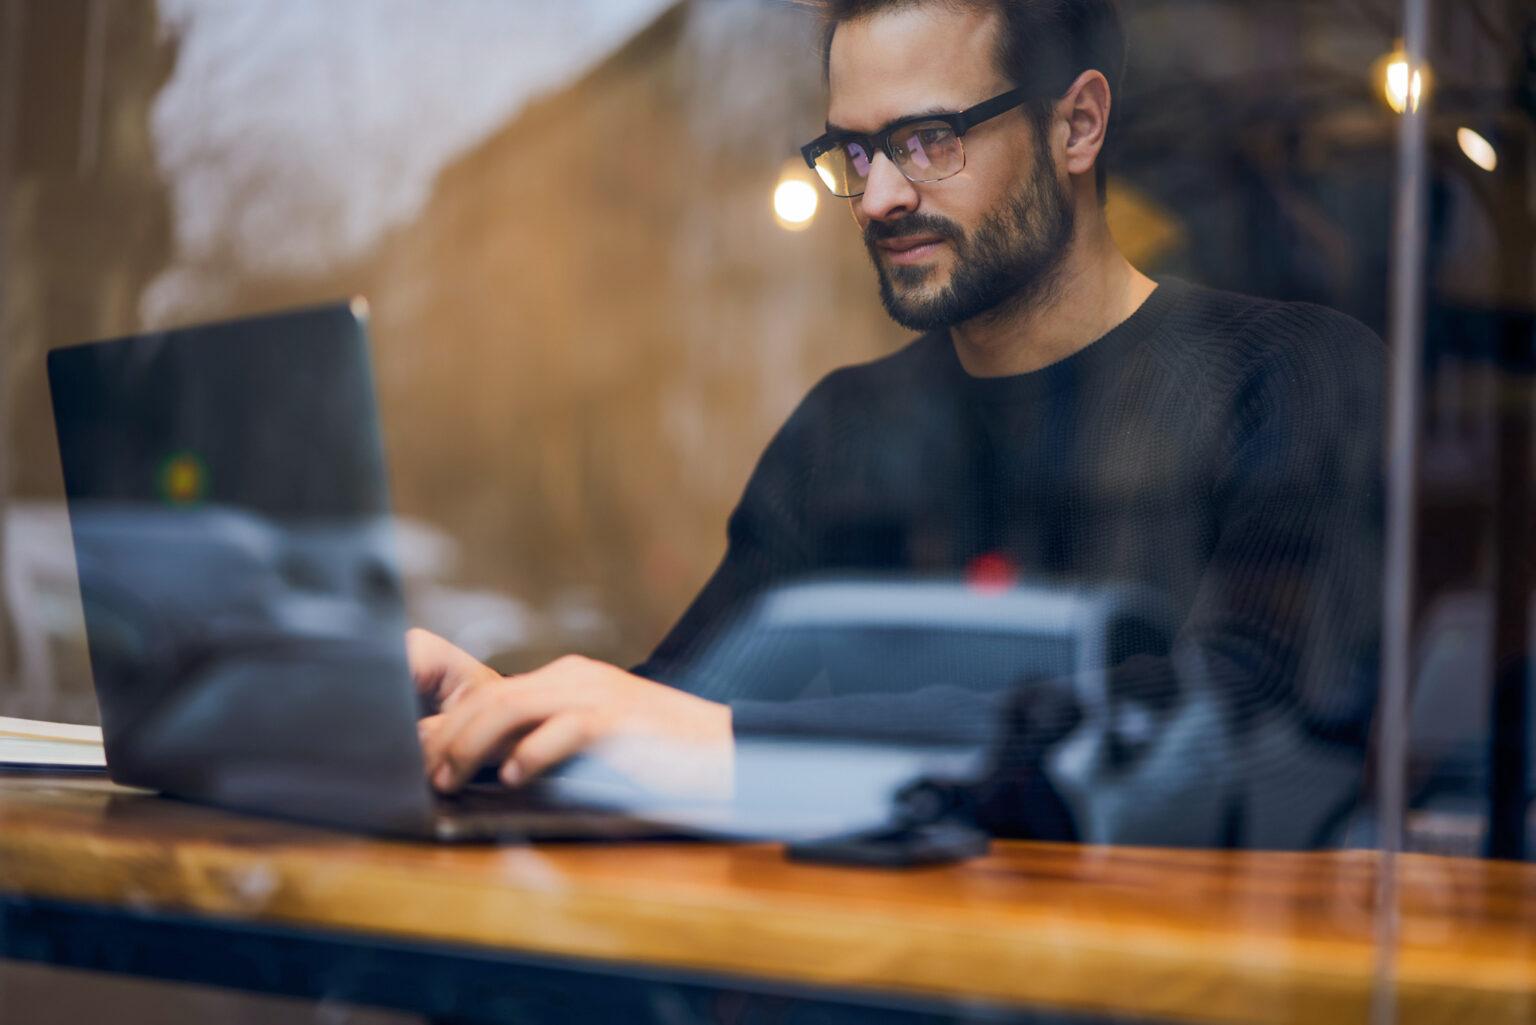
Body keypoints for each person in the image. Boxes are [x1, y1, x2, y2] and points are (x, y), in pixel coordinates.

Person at [413, 0, 1383, 844]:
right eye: (856, 150)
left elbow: (1246, 720)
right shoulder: (848, 424)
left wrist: (737, 743)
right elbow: (687, 708)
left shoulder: (1287, 375)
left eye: (929, 139)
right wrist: (506, 716)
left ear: (1078, 125)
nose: (879, 196)